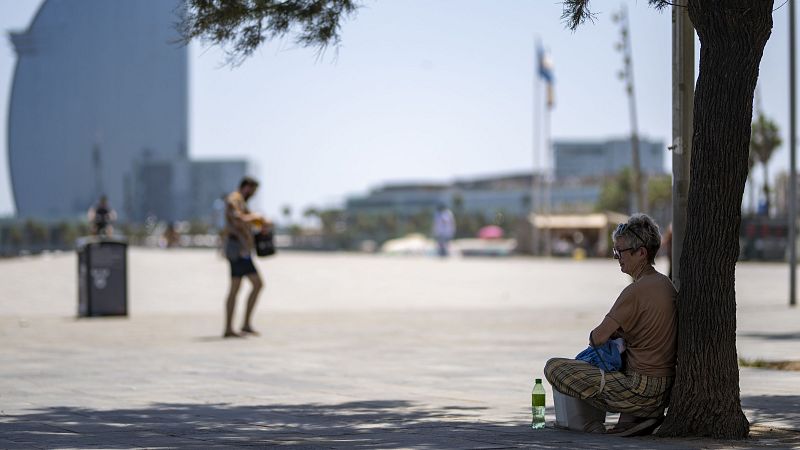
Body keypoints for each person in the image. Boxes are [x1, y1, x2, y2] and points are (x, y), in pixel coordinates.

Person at [544, 213, 677, 437]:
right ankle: (633, 418)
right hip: (664, 387)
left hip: (642, 388)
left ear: (641, 253)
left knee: (554, 367)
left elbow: (597, 338)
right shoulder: (665, 284)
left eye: (620, 252)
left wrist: (616, 332)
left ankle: (621, 417)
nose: (617, 258)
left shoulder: (635, 291)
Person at [222, 176, 271, 338]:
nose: (254, 194)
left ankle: (239, 325)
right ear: (247, 187)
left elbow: (245, 221)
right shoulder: (234, 199)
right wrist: (256, 217)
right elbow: (237, 218)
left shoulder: (242, 201)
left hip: (241, 250)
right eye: (254, 190)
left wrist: (260, 225)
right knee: (255, 284)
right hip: (238, 251)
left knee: (238, 287)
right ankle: (236, 326)